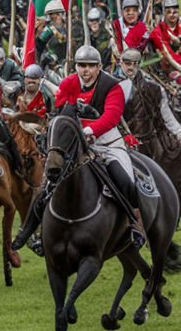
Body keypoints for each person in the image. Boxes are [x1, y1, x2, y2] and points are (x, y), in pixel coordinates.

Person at [13, 44, 146, 253]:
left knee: (124, 180)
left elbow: (111, 117)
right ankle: (29, 231)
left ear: (99, 66)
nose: (86, 70)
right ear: (76, 66)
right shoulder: (68, 83)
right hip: (76, 142)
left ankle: (134, 226)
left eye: (91, 66)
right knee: (49, 182)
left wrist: (89, 130)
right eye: (81, 65)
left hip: (107, 142)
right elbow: (61, 111)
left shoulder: (112, 86)